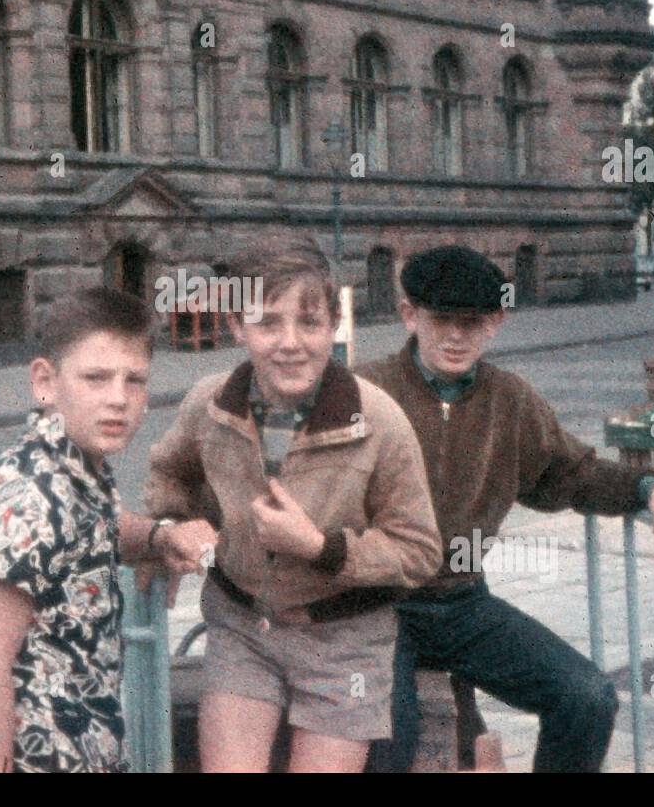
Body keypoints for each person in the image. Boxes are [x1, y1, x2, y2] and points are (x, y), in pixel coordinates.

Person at [358, 245, 654, 773]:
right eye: (441, 319)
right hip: (376, 608)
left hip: (460, 603)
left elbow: (570, 473)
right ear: (409, 315)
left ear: (495, 322)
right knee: (389, 748)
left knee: (587, 698)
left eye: (471, 323)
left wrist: (650, 488)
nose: (455, 336)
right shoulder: (366, 390)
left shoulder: (509, 399)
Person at [144, 236, 443, 772]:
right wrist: (173, 529)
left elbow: (419, 550)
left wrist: (319, 547)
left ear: (333, 324)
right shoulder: (209, 406)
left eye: (308, 323)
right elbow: (170, 474)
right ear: (237, 326)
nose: (290, 342)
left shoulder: (378, 420)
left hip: (344, 642)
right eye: (267, 323)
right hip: (243, 629)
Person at [0, 286, 214, 773]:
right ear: (45, 381)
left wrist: (159, 536)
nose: (118, 399)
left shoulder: (74, 469)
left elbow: (89, 531)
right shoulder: (26, 492)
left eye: (135, 380)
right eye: (96, 378)